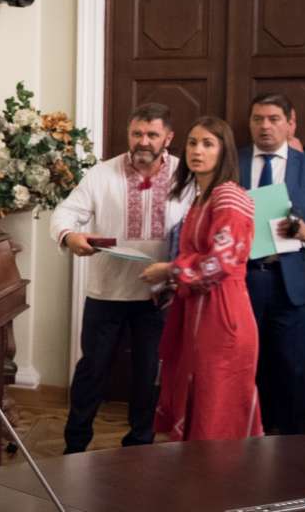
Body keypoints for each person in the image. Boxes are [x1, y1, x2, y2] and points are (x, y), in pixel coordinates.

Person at [50, 103, 190, 454]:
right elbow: (66, 211)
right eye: (137, 133)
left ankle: (139, 448)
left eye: (152, 134)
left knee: (147, 376)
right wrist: (70, 236)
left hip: (159, 296)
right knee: (92, 371)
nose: (144, 141)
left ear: (168, 138)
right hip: (107, 293)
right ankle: (74, 448)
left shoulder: (186, 174)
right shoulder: (102, 173)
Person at [141, 116, 262, 441]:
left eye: (208, 144)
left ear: (224, 152)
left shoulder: (229, 196)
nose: (197, 151)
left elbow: (220, 262)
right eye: (193, 143)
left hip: (223, 314)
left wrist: (170, 270)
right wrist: (171, 280)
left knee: (216, 405)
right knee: (196, 396)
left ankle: (217, 472)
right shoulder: (200, 198)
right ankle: (198, 471)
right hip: (197, 309)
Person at [239, 93, 305, 434]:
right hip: (243, 280)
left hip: (292, 283)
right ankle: (243, 440)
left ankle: (291, 445)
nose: (265, 126)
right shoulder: (233, 161)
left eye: (273, 119)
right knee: (243, 364)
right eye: (257, 119)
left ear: (290, 124)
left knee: (292, 368)